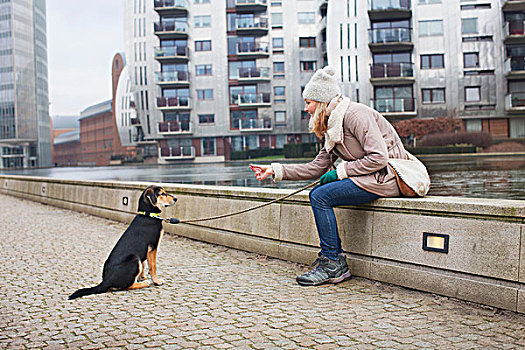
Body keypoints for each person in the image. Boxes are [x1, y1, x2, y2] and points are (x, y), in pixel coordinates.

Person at [249, 66, 407, 286]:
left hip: (386, 178)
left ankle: (333, 263)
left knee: (321, 196)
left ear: (322, 102)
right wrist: (275, 170)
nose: (306, 109)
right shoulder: (332, 126)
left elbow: (379, 158)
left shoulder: (355, 115)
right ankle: (332, 261)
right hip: (369, 178)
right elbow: (316, 168)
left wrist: (341, 172)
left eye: (309, 103)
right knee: (319, 193)